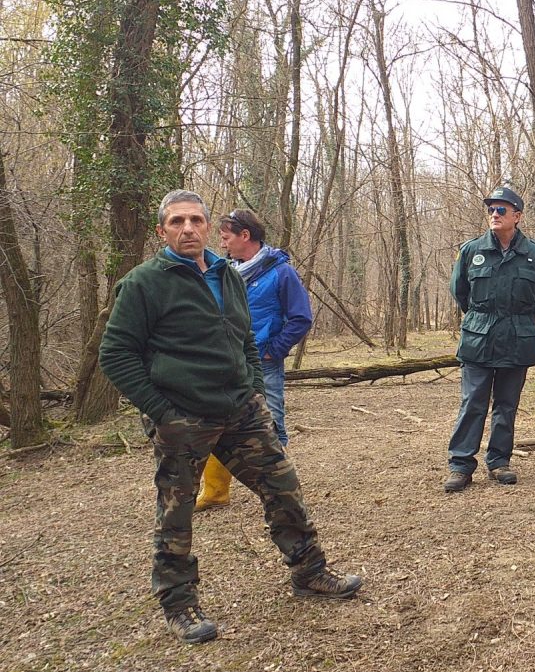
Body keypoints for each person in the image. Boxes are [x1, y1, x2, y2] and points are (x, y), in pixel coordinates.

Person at [99, 189, 361, 645]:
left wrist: (255, 392)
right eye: (177, 221)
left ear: (206, 227)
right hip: (183, 419)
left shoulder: (228, 275)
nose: (188, 229)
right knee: (176, 512)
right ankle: (178, 604)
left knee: (283, 487)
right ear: (162, 231)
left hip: (241, 410)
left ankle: (310, 571)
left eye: (196, 220)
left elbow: (243, 341)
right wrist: (162, 412)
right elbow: (116, 355)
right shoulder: (143, 284)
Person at [195, 208, 314, 511]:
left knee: (271, 424)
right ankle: (215, 492)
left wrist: (274, 349)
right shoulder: (223, 271)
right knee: (215, 422)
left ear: (244, 236)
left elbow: (301, 318)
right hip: (224, 361)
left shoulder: (281, 272)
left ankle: (283, 495)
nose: (222, 244)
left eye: (226, 238)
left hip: (263, 361)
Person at [443, 186, 535, 493]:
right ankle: (461, 465)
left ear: (517, 216)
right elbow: (460, 292)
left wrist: (516, 318)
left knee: (507, 405)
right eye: (491, 209)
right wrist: (484, 318)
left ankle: (499, 462)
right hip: (478, 338)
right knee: (473, 402)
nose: (494, 214)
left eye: (501, 210)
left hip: (517, 338)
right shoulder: (471, 251)